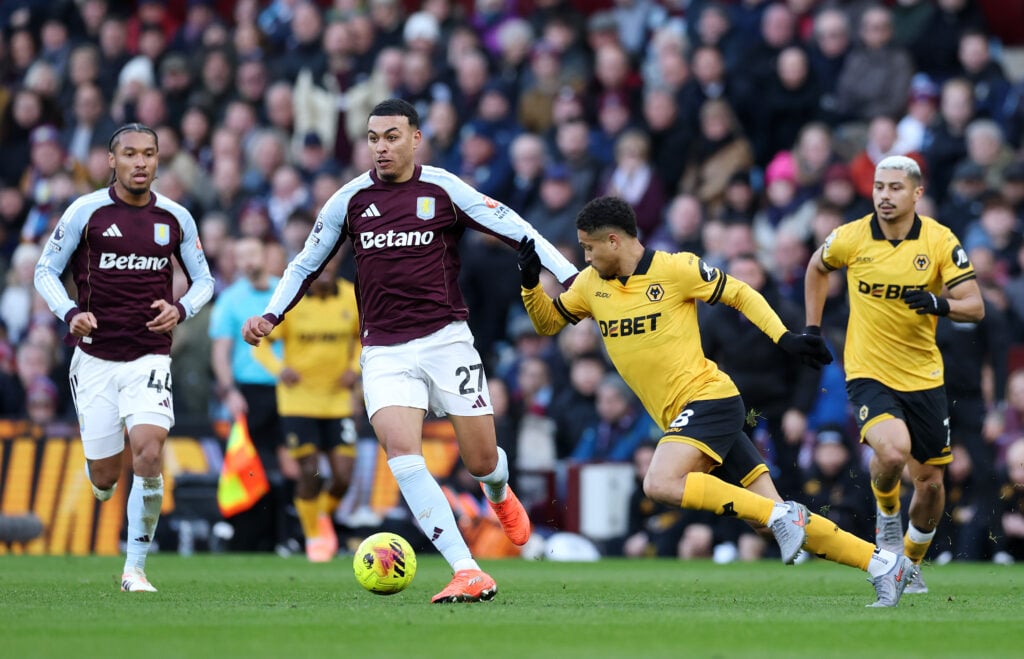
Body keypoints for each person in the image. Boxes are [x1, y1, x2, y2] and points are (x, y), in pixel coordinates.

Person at [242, 99, 577, 603]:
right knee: (403, 455)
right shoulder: (348, 200)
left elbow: (516, 227)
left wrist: (570, 277)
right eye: (374, 137)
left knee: (481, 460)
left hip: (447, 342)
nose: (382, 147)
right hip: (385, 351)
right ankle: (466, 569)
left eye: (392, 136)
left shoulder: (443, 188)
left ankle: (498, 491)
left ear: (416, 139)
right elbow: (304, 263)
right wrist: (272, 314)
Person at [518, 195, 915, 607]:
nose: (584, 256)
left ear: (614, 241)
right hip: (684, 417)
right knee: (766, 517)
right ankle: (883, 564)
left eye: (588, 246)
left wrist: (784, 338)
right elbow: (547, 323)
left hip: (710, 399)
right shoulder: (590, 286)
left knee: (660, 483)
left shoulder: (676, 268)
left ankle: (784, 516)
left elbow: (741, 294)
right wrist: (530, 285)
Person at [33, 123, 215, 592]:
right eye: (130, 154)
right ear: (111, 161)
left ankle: (134, 568)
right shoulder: (86, 211)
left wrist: (181, 310)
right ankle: (101, 479)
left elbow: (205, 281)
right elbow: (45, 270)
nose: (140, 162)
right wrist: (70, 312)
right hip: (94, 360)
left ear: (158, 160)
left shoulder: (175, 217)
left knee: (150, 453)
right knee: (106, 476)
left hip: (149, 357)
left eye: (149, 154)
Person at [804, 155, 986, 595]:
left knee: (931, 485)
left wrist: (939, 304)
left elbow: (975, 306)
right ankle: (887, 518)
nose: (884, 196)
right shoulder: (851, 236)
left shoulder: (940, 241)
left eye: (895, 188)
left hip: (924, 377)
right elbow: (816, 267)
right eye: (879, 187)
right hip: (868, 371)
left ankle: (909, 562)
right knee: (892, 453)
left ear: (917, 193)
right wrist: (812, 328)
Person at [252, 255, 361, 563]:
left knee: (343, 475)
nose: (324, 275)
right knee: (310, 471)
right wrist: (279, 368)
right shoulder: (292, 302)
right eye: (319, 270)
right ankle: (315, 537)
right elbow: (261, 341)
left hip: (337, 400)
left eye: (329, 269)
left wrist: (356, 368)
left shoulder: (352, 295)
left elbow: (365, 336)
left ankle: (317, 520)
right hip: (298, 401)